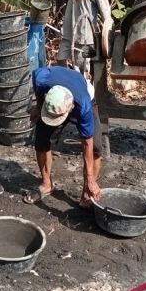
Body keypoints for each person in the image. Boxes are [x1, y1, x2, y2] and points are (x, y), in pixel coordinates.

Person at [24, 66, 103, 207]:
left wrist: (90, 179)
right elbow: (37, 80)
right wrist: (39, 105)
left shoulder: (83, 106)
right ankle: (47, 184)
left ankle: (87, 191)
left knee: (96, 147)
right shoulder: (41, 79)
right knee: (41, 141)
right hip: (56, 99)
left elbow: (87, 144)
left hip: (83, 94)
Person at [42, 0, 112, 72]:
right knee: (60, 59)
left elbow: (106, 14)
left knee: (84, 67)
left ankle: (85, 87)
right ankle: (70, 81)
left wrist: (107, 36)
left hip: (86, 38)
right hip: (69, 31)